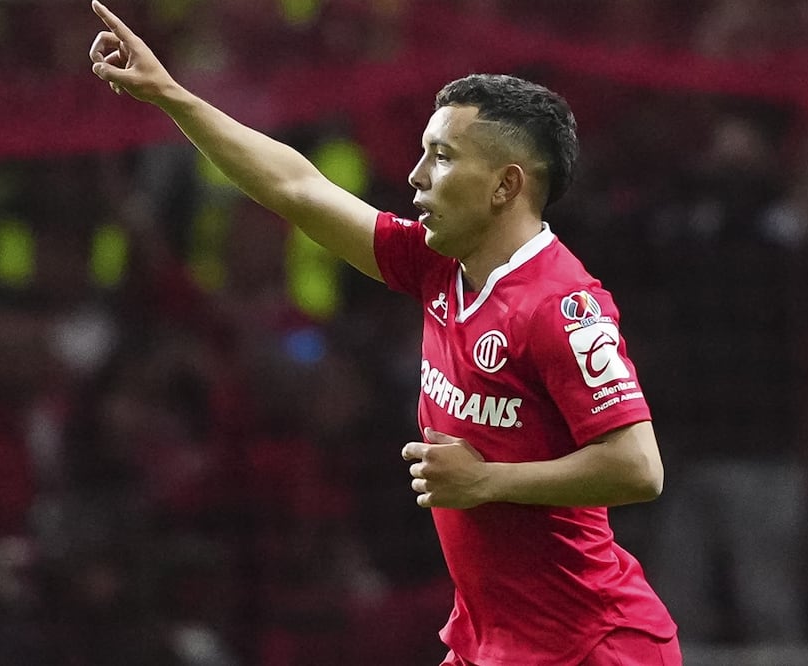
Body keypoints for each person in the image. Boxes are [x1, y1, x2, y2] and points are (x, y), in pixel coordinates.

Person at [88, 2, 680, 663]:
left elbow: (637, 467)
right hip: (489, 638)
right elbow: (295, 187)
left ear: (504, 186)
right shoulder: (434, 266)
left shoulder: (562, 307)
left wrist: (489, 483)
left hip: (591, 647)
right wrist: (171, 96)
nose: (415, 177)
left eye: (442, 157)